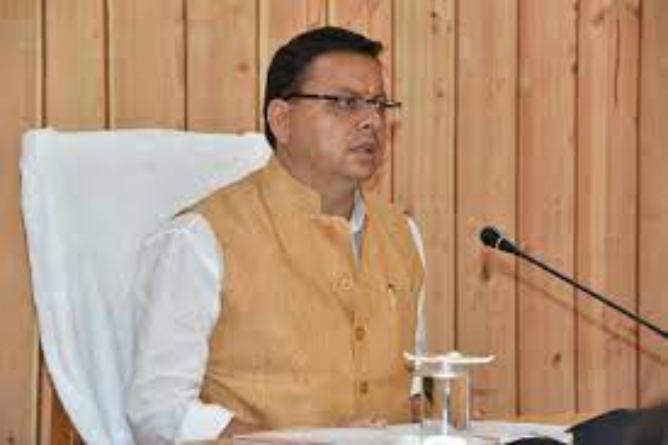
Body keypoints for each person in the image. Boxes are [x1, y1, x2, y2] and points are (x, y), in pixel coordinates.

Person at [127, 26, 427, 444]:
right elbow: (161, 413)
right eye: (345, 103)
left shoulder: (402, 235)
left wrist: (443, 420)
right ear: (281, 120)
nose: (371, 121)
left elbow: (410, 387)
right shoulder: (200, 239)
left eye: (379, 105)